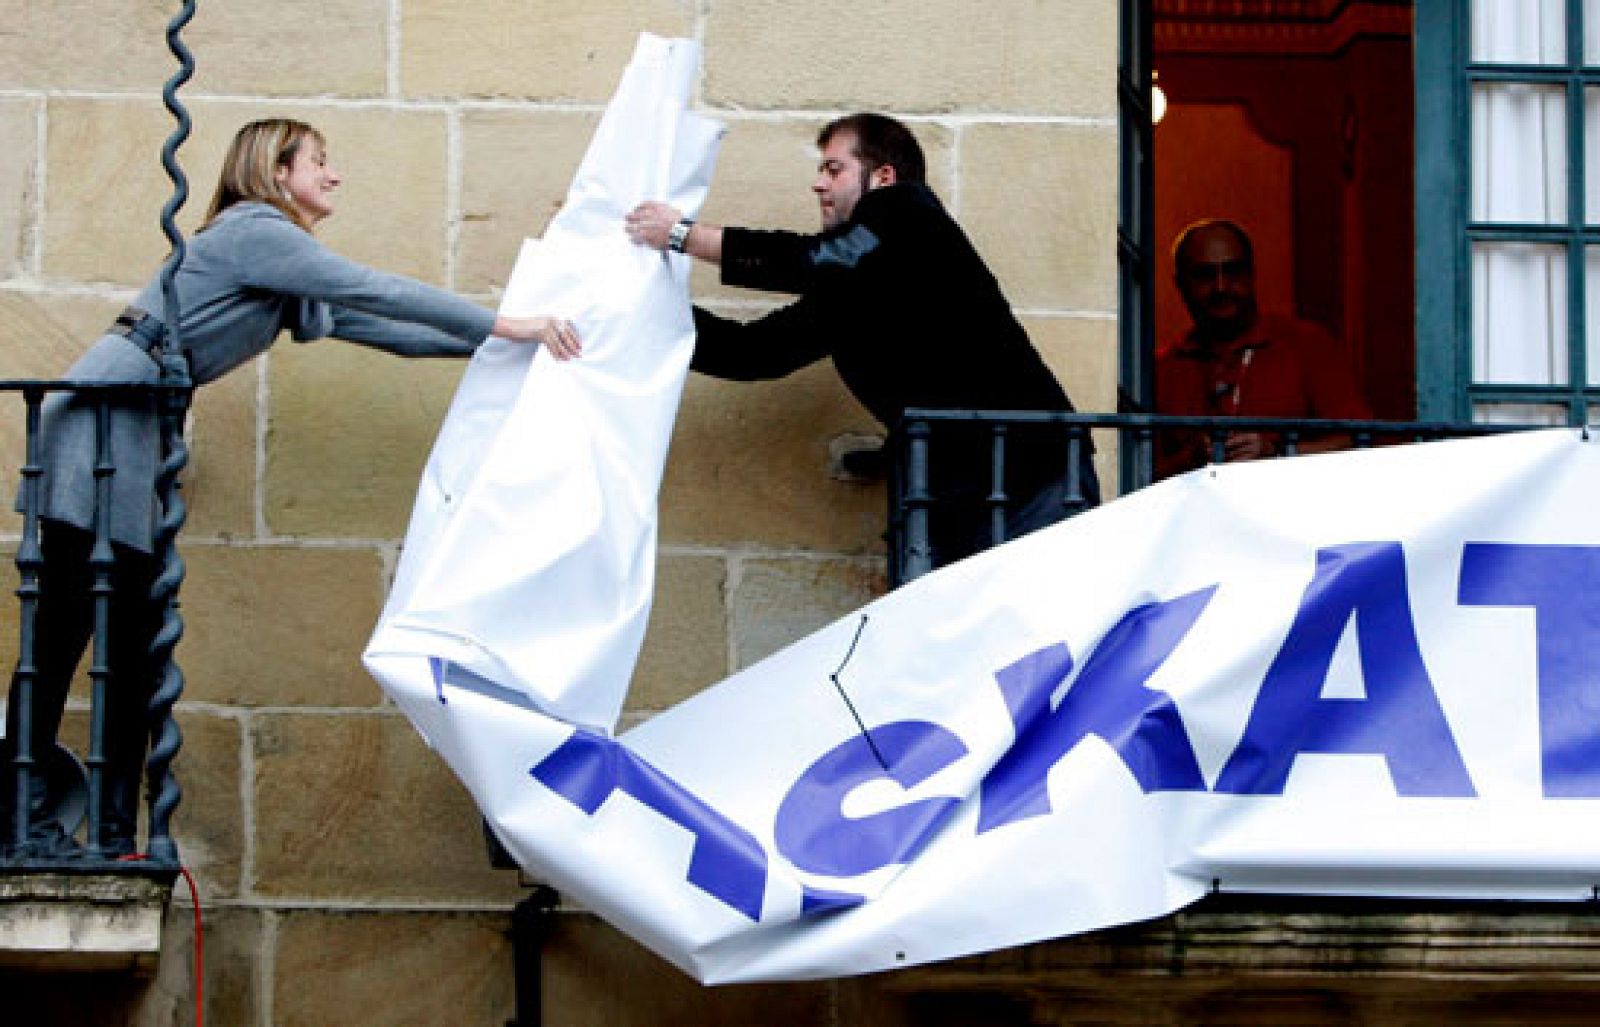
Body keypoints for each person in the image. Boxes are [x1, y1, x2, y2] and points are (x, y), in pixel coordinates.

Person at [2, 118, 582, 858]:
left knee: (133, 642)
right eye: (319, 162)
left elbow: (380, 326)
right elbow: (377, 287)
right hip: (102, 429)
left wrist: (503, 348)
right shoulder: (256, 232)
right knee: (67, 633)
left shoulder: (278, 268)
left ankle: (110, 831)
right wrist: (514, 322)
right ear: (276, 173)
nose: (332, 176)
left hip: (133, 438)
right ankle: (25, 816)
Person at [624, 112, 1099, 567]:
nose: (819, 184)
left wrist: (682, 235)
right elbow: (752, 353)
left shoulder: (909, 211)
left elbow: (810, 260)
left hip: (1031, 477)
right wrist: (633, 314)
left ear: (884, 176)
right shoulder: (853, 281)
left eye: (834, 169)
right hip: (952, 491)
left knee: (1041, 633)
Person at [1155, 219, 1371, 478]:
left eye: (1233, 271)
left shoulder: (1307, 345)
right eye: (1205, 275)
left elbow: (1359, 443)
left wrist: (1277, 453)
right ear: (1180, 284)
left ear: (1251, 275)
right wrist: (1191, 459)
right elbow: (1133, 472)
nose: (1221, 287)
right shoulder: (1162, 367)